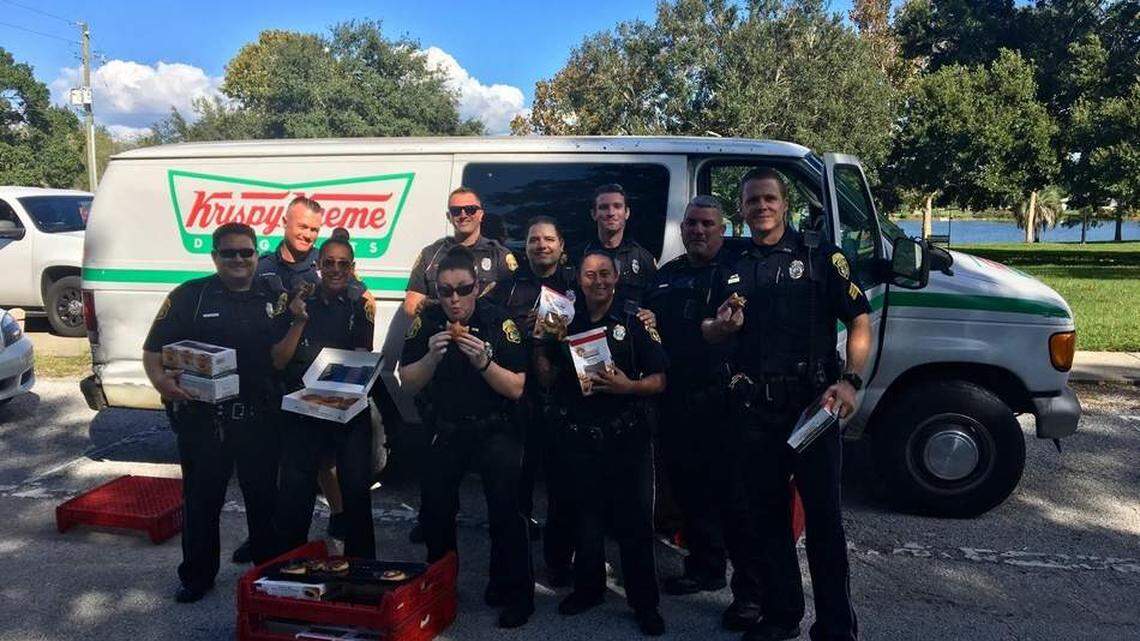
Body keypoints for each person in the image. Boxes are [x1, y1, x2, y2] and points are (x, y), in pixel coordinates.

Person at [702, 168, 871, 641]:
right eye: (752, 200)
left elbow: (859, 320)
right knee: (768, 522)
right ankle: (782, 616)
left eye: (769, 198)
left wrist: (851, 382)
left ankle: (837, 626)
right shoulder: (731, 265)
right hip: (756, 412)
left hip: (812, 406)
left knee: (824, 524)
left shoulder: (820, 257)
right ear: (742, 208)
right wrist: (723, 328)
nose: (761, 207)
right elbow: (707, 331)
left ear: (785, 202)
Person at [142, 222, 285, 603]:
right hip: (206, 421)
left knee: (264, 501)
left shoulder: (275, 295)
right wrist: (162, 384)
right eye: (229, 253)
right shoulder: (191, 296)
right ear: (215, 257)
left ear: (257, 255)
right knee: (202, 502)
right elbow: (153, 351)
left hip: (258, 419)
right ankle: (197, 576)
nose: (239, 259)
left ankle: (267, 575)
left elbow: (286, 352)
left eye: (246, 252)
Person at [398, 246, 535, 629]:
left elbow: (516, 387)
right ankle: (441, 590)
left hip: (494, 427)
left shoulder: (498, 322)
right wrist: (430, 358)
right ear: (437, 292)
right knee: (438, 513)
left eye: (463, 289)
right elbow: (407, 382)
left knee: (506, 513)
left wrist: (484, 363)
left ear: (477, 287)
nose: (454, 300)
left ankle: (514, 593)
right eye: (445, 291)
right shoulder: (426, 323)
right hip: (447, 428)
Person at [534, 251, 668, 637]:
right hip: (580, 439)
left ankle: (645, 604)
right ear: (579, 278)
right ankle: (588, 590)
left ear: (616, 276)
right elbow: (545, 379)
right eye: (590, 274)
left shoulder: (632, 318)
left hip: (627, 439)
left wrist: (630, 386)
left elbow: (660, 379)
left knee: (635, 526)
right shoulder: (562, 316)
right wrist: (541, 341)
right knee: (586, 522)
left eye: (605, 273)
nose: (598, 281)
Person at [644, 196, 762, 629]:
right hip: (678, 402)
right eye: (691, 223)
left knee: (737, 501)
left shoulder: (741, 269)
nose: (698, 230)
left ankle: (749, 593)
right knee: (691, 493)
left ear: (722, 227)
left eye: (707, 224)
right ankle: (705, 568)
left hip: (728, 403)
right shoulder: (666, 277)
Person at [271, 228, 377, 559]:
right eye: (329, 262)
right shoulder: (296, 301)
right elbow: (278, 360)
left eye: (343, 264)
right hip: (302, 411)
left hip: (346, 407)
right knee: (295, 494)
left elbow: (361, 356)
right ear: (318, 263)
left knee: (357, 490)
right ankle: (289, 566)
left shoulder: (361, 305)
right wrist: (298, 321)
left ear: (352, 267)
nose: (335, 269)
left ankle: (362, 568)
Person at [501, 216, 578, 582]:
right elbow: (495, 331)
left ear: (562, 245)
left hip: (565, 398)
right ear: (526, 246)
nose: (542, 245)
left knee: (563, 486)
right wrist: (521, 327)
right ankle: (516, 564)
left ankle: (559, 562)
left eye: (549, 239)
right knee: (519, 483)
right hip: (520, 398)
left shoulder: (577, 282)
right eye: (534, 240)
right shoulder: (509, 287)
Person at [401, 186, 516, 318]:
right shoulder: (431, 254)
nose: (463, 215)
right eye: (456, 211)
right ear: (448, 216)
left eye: (470, 210)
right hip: (439, 333)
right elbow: (411, 305)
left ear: (481, 215)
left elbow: (511, 306)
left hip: (485, 335)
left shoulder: (499, 255)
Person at [576, 183, 657, 304]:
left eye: (617, 206)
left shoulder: (644, 259)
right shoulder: (577, 256)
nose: (611, 213)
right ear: (593, 214)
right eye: (604, 207)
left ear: (627, 213)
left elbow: (653, 305)